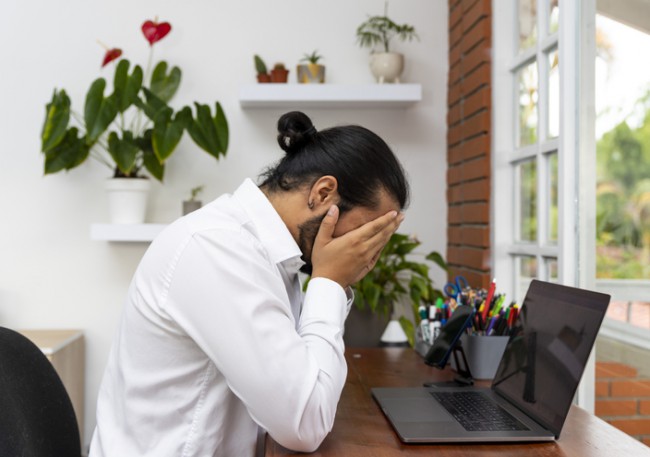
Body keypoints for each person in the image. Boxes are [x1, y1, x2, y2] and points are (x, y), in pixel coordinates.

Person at [89, 111, 409, 456]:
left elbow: (306, 378)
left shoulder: (271, 254)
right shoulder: (217, 247)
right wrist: (330, 280)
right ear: (323, 192)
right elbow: (305, 424)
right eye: (367, 232)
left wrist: (331, 280)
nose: (365, 251)